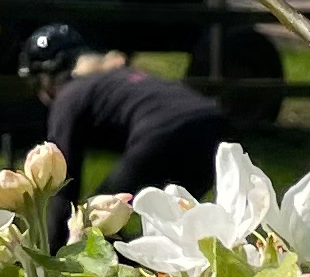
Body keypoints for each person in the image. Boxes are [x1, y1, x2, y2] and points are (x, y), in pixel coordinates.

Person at [21, 22, 228, 241]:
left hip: (162, 131)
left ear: (45, 77)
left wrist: (54, 251)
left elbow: (62, 182)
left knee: (96, 220)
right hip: (213, 124)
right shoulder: (114, 77)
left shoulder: (69, 96)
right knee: (173, 229)